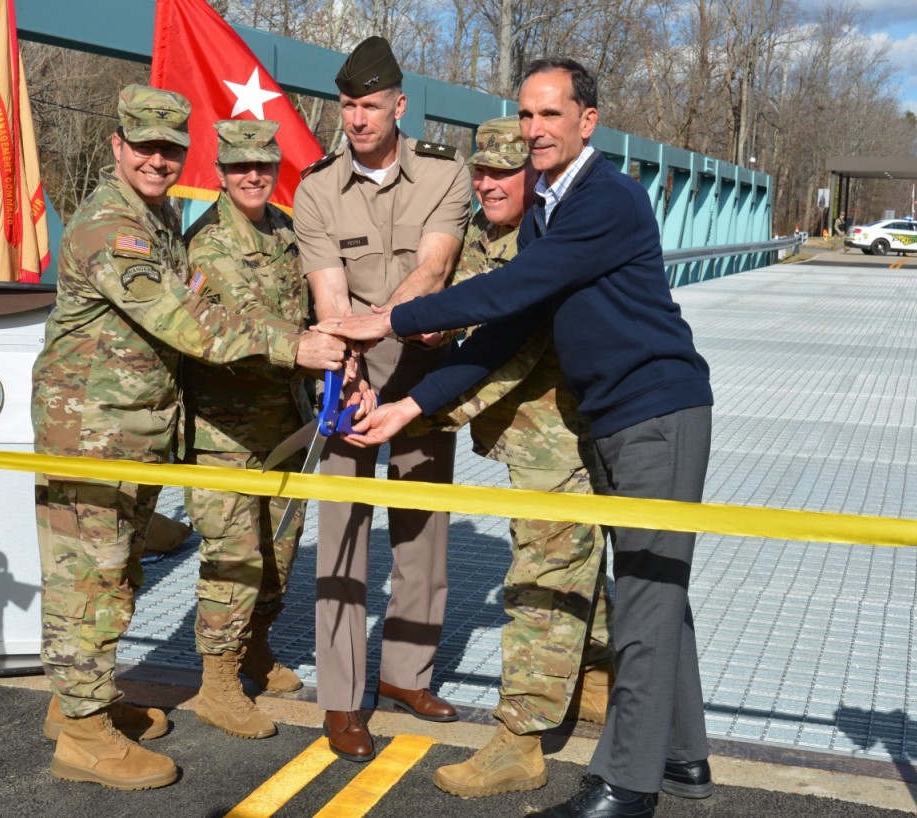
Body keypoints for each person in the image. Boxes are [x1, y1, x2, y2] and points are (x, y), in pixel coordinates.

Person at [322, 58, 714, 818]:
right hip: (616, 417)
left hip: (657, 414)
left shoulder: (607, 198)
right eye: (526, 114)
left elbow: (508, 289)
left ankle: (626, 786)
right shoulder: (549, 212)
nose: (534, 129)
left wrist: (388, 319)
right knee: (656, 585)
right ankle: (681, 755)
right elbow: (505, 330)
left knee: (642, 600)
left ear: (587, 122)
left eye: (550, 114)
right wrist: (408, 408)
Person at [32, 85, 346, 791]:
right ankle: (83, 737)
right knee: (89, 581)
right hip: (92, 432)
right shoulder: (112, 227)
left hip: (134, 430)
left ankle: (78, 704)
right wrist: (293, 345)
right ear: (117, 145)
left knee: (115, 576)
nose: (158, 159)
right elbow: (185, 320)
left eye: (170, 149)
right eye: (144, 146)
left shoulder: (157, 216)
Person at [416, 116, 616, 799]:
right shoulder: (481, 232)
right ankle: (596, 678)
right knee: (572, 560)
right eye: (481, 171)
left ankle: (520, 741)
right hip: (530, 442)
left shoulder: (551, 239)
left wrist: (419, 414)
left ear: (536, 174)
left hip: (562, 440)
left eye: (505, 172)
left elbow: (510, 353)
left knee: (544, 579)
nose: (489, 184)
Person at [292, 35, 473, 762]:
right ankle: (341, 697)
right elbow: (329, 295)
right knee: (341, 538)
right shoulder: (316, 189)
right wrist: (349, 370)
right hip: (349, 373)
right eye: (347, 105)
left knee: (422, 537)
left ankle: (406, 675)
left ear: (400, 106)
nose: (357, 118)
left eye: (370, 105)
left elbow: (434, 271)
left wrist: (376, 334)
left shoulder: (445, 175)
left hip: (423, 372)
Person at [181, 120, 317, 740]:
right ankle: (218, 682)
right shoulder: (209, 243)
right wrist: (314, 349)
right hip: (225, 431)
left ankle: (255, 648)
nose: (253, 176)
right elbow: (243, 324)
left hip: (284, 423)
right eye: (240, 166)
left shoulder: (284, 232)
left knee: (278, 550)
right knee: (233, 557)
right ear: (221, 173)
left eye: (263, 164)